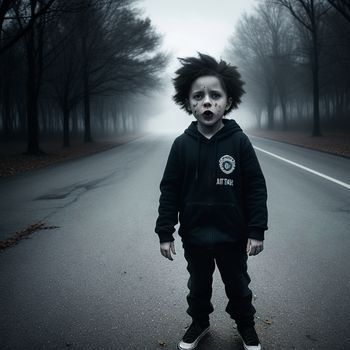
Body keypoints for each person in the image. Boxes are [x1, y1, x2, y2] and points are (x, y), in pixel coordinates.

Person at [155, 52, 268, 350]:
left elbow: (256, 187)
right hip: (195, 237)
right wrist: (165, 232)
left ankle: (246, 326)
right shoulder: (181, 146)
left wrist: (257, 230)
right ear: (188, 103)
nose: (207, 101)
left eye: (215, 95)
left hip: (233, 236)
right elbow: (169, 191)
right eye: (199, 96)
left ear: (227, 102)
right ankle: (199, 322)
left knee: (238, 286)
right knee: (198, 286)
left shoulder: (239, 142)